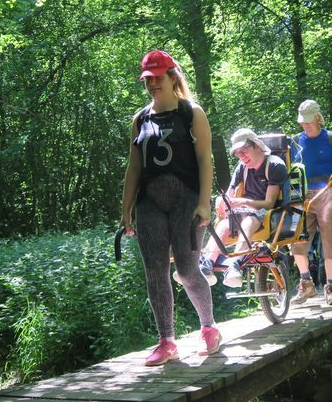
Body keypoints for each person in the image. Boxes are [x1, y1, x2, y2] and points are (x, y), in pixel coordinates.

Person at [120, 49, 221, 366]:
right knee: (155, 272)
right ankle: (166, 341)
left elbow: (206, 159)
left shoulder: (192, 113)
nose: (151, 84)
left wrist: (205, 204)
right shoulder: (140, 119)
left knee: (187, 270)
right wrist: (126, 211)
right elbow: (134, 167)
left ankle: (209, 328)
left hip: (187, 201)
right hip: (149, 204)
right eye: (147, 79)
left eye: (157, 78)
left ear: (172, 77)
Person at [198, 128, 288, 287]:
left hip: (266, 213)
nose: (241, 156)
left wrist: (241, 202)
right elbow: (229, 193)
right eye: (237, 153)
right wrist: (222, 199)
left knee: (247, 223)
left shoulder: (274, 165)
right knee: (223, 225)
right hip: (243, 210)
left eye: (244, 151)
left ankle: (234, 265)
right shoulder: (242, 167)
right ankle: (206, 265)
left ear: (257, 146)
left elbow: (269, 203)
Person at [290, 100, 332, 306]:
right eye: (303, 122)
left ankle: (330, 287)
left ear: (318, 118)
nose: (305, 125)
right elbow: (287, 171)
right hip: (302, 196)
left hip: (328, 192)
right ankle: (306, 283)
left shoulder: (331, 138)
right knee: (297, 240)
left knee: (331, 242)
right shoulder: (295, 142)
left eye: (309, 121)